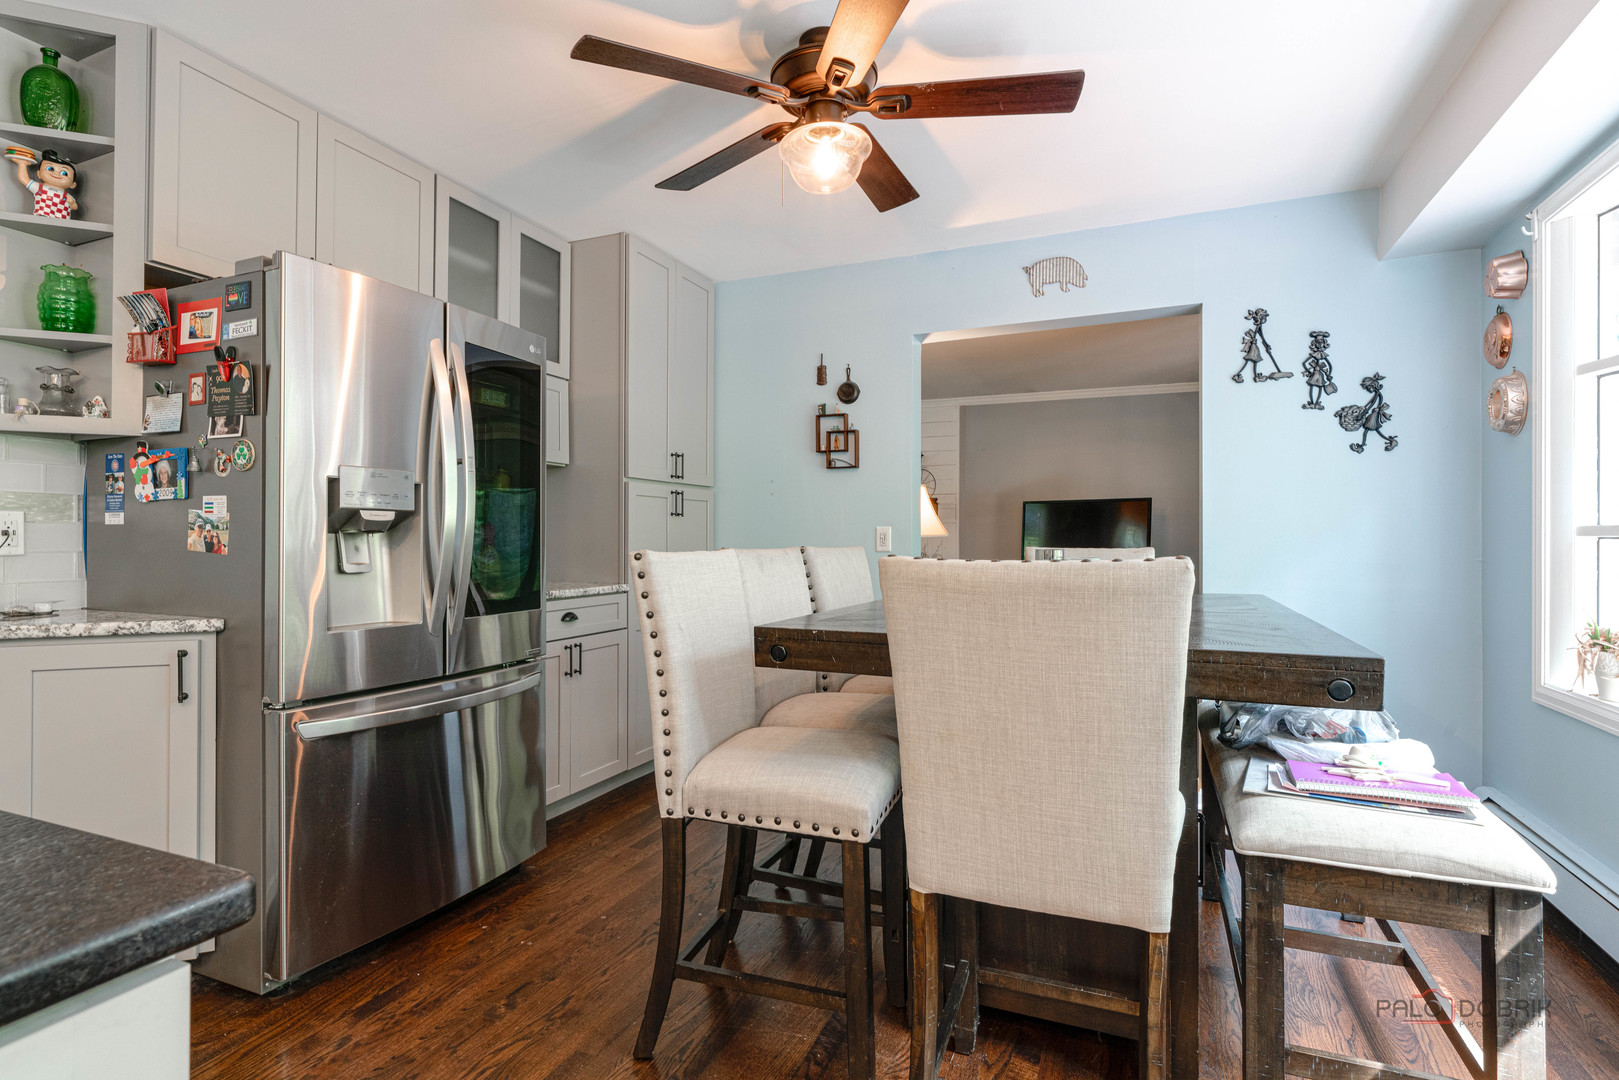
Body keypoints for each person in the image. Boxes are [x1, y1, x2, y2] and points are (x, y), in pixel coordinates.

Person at [10, 149, 78, 220]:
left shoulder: (67, 195)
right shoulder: (39, 187)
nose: (56, 173)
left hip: (62, 219)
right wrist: (22, 164)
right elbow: (24, 178)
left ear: (72, 185)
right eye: (50, 169)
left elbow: (75, 207)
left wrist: (72, 203)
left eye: (64, 173)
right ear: (39, 174)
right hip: (43, 215)